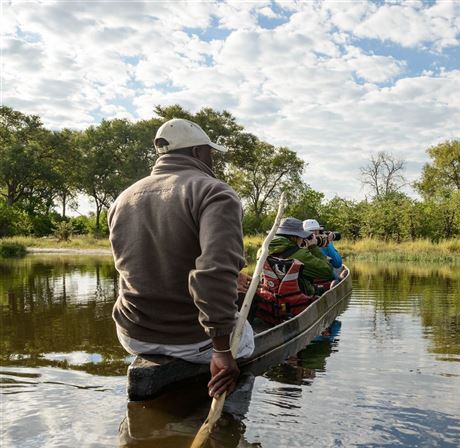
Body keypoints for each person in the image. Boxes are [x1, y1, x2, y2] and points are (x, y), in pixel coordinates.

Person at [109, 118, 251, 398]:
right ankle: (231, 410)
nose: (212, 161)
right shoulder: (215, 192)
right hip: (193, 342)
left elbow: (133, 266)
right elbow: (213, 274)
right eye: (210, 153)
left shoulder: (123, 199)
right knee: (247, 336)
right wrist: (222, 351)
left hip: (133, 335)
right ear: (198, 152)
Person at [263, 217, 334, 294]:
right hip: (297, 296)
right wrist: (313, 247)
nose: (302, 239)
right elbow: (328, 272)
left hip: (271, 292)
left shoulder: (263, 250)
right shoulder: (300, 255)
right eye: (301, 236)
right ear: (295, 237)